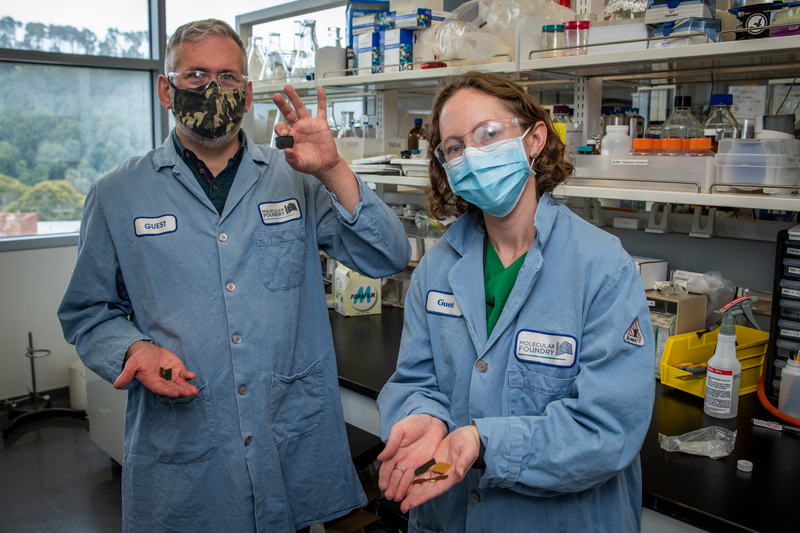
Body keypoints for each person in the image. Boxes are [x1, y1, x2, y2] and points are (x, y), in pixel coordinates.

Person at [57, 19, 410, 532]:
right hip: (189, 439)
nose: (212, 89)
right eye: (196, 75)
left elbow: (387, 257)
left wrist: (335, 169)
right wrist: (134, 350)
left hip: (286, 432)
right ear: (165, 89)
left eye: (227, 78)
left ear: (247, 96)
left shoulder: (298, 177)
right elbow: (87, 311)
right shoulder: (118, 193)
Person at [376, 71, 655, 532]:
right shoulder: (437, 268)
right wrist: (422, 416)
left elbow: (608, 428)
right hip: (451, 516)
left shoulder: (603, 268)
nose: (473, 155)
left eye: (488, 134)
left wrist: (484, 443)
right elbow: (415, 380)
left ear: (534, 139)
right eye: (455, 147)